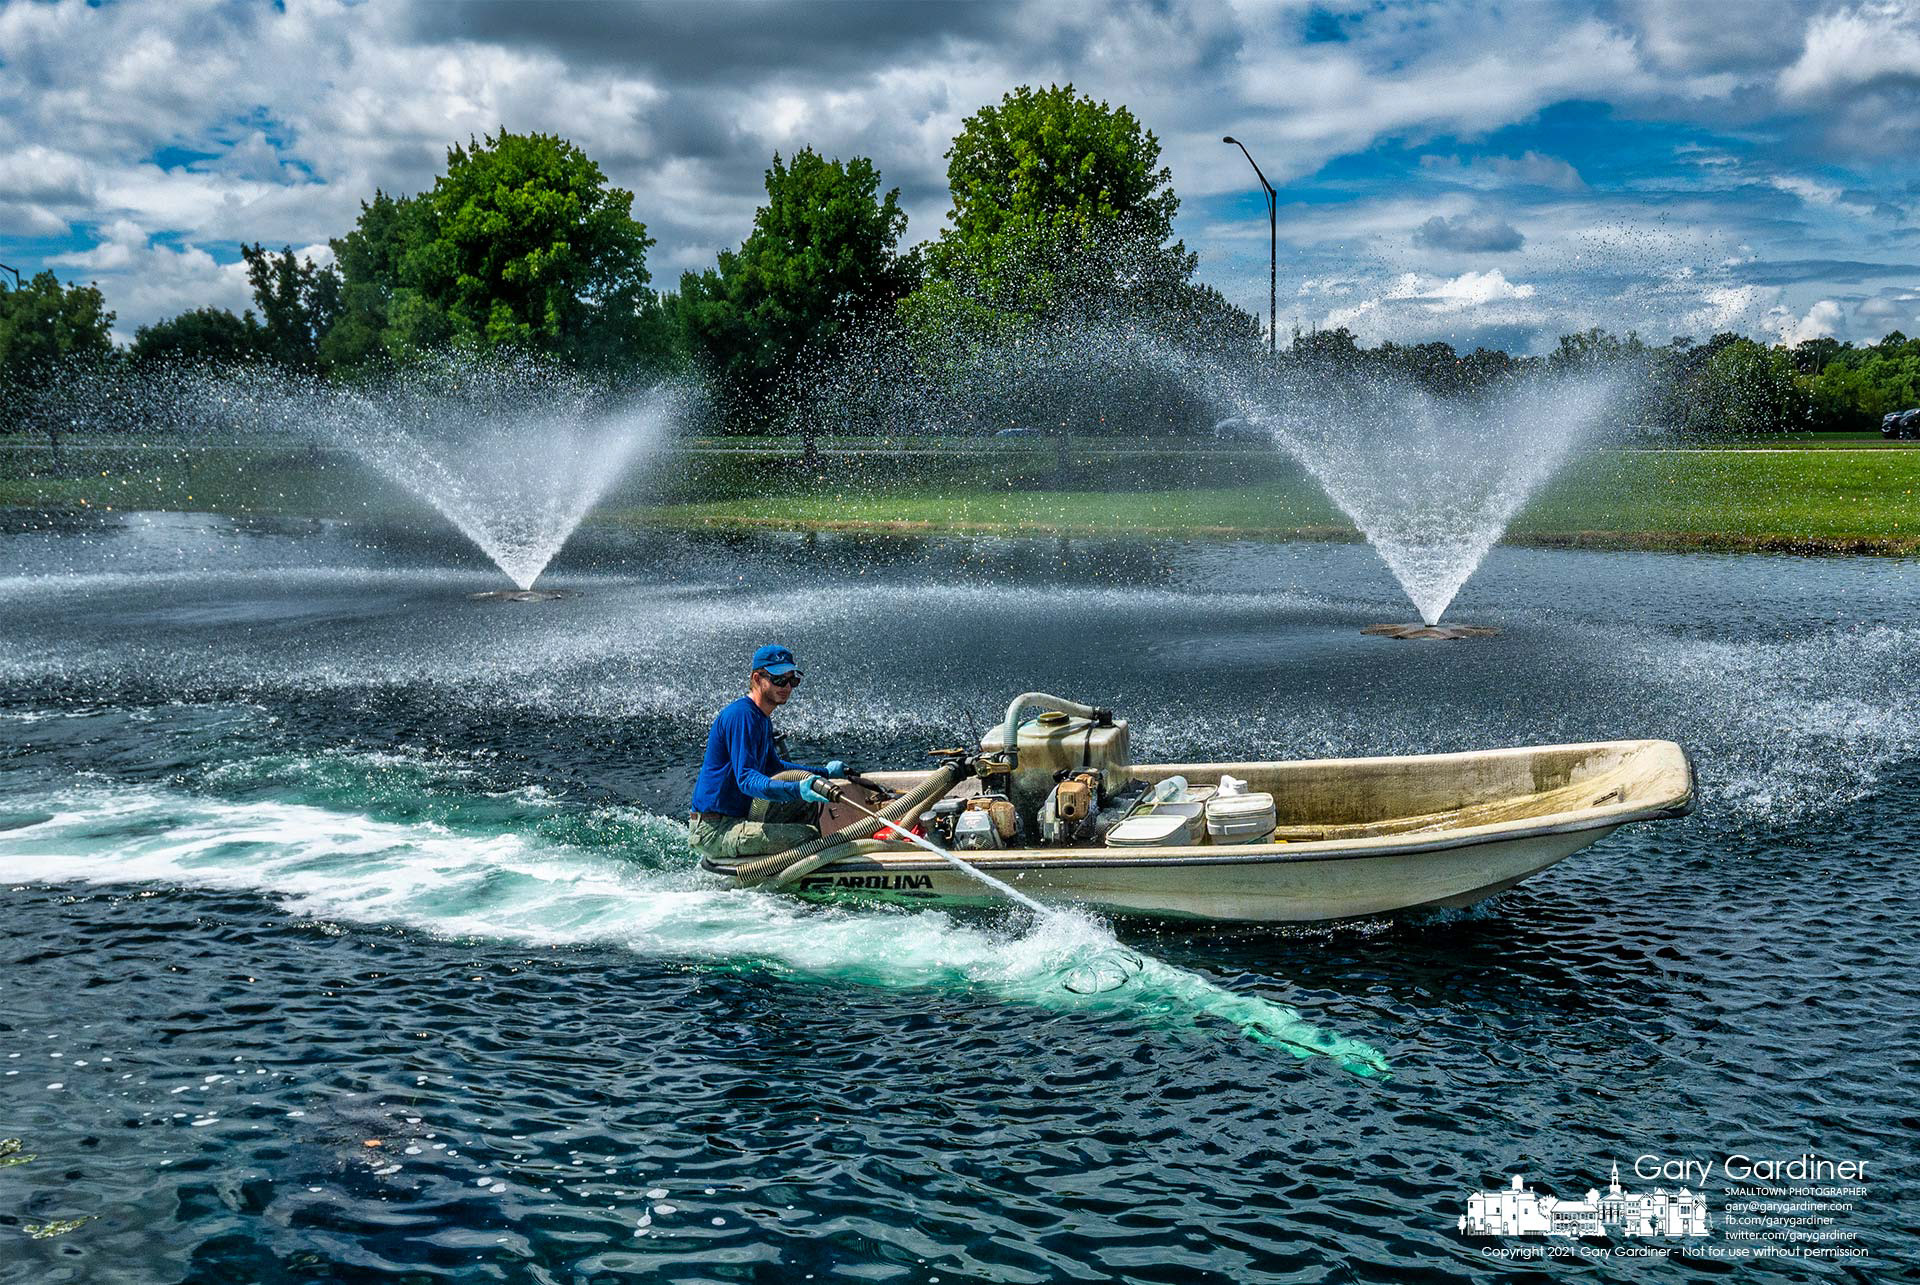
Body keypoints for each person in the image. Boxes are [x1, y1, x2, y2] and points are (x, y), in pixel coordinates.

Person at [688, 644, 846, 862]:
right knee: (807, 836)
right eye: (779, 679)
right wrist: (796, 788)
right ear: (756, 678)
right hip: (715, 830)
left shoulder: (761, 718)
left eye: (793, 680)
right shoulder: (741, 716)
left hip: (738, 818)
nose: (787, 687)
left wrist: (825, 772)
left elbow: (775, 768)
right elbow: (747, 779)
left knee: (809, 803)